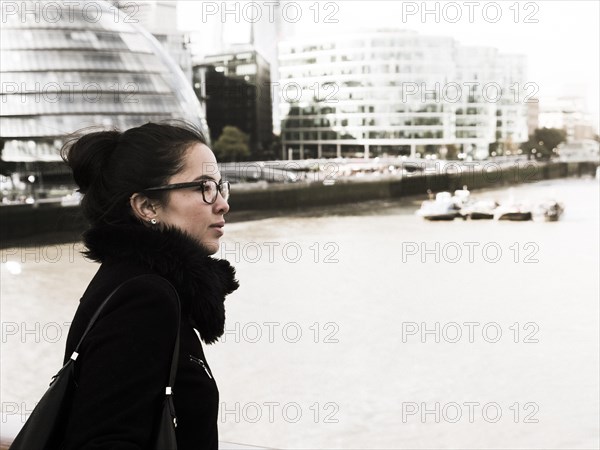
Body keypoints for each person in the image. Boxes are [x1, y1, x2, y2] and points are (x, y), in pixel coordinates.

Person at [59, 122, 239, 449]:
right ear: (147, 207)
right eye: (204, 187)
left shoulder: (136, 281)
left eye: (219, 186)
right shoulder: (145, 298)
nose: (222, 203)